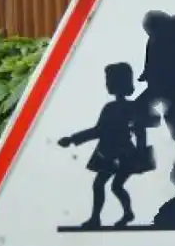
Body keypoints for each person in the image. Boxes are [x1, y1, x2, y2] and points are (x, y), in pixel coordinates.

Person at [58, 62, 155, 229]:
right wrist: (72, 139)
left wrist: (140, 152)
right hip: (109, 152)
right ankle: (120, 214)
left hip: (122, 154)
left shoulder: (128, 108)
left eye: (109, 81)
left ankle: (100, 218)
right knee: (112, 186)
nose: (107, 84)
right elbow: (97, 131)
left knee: (106, 185)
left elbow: (141, 129)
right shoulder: (111, 108)